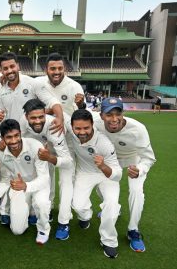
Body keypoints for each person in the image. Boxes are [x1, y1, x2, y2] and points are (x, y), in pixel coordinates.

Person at [95, 97, 156, 252]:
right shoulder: (95, 122)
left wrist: (140, 169)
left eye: (118, 114)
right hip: (110, 160)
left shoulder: (138, 129)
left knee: (137, 192)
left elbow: (149, 157)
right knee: (100, 187)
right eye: (109, 114)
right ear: (101, 115)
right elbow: (74, 118)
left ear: (123, 113)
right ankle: (115, 208)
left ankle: (133, 230)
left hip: (133, 160)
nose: (114, 119)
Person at [69, 109, 122, 258]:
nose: (82, 132)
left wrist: (103, 166)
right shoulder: (70, 129)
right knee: (78, 206)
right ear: (72, 126)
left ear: (92, 125)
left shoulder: (104, 144)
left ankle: (109, 241)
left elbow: (117, 175)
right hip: (85, 173)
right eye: (77, 128)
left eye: (86, 127)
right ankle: (86, 216)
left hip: (106, 175)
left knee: (111, 207)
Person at [19, 99, 74, 240]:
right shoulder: (22, 122)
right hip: (44, 145)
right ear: (26, 117)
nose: (37, 121)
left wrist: (49, 157)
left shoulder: (53, 127)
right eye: (33, 118)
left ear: (45, 114)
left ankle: (64, 222)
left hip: (66, 145)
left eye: (41, 117)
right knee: (43, 174)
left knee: (65, 182)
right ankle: (46, 211)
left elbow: (67, 161)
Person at [0, 119, 51, 245]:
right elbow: (6, 178)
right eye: (9, 137)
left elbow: (44, 178)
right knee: (17, 230)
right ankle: (29, 211)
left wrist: (26, 185)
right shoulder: (1, 154)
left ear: (20, 133)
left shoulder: (35, 146)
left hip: (39, 185)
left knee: (41, 203)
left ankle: (43, 230)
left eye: (16, 136)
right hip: (18, 187)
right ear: (2, 138)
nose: (14, 141)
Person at [0, 52, 64, 134]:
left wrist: (60, 118)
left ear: (18, 66)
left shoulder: (32, 83)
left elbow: (52, 101)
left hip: (31, 134)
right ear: (1, 70)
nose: (9, 71)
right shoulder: (0, 87)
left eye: (12, 66)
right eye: (5, 68)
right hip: (12, 134)